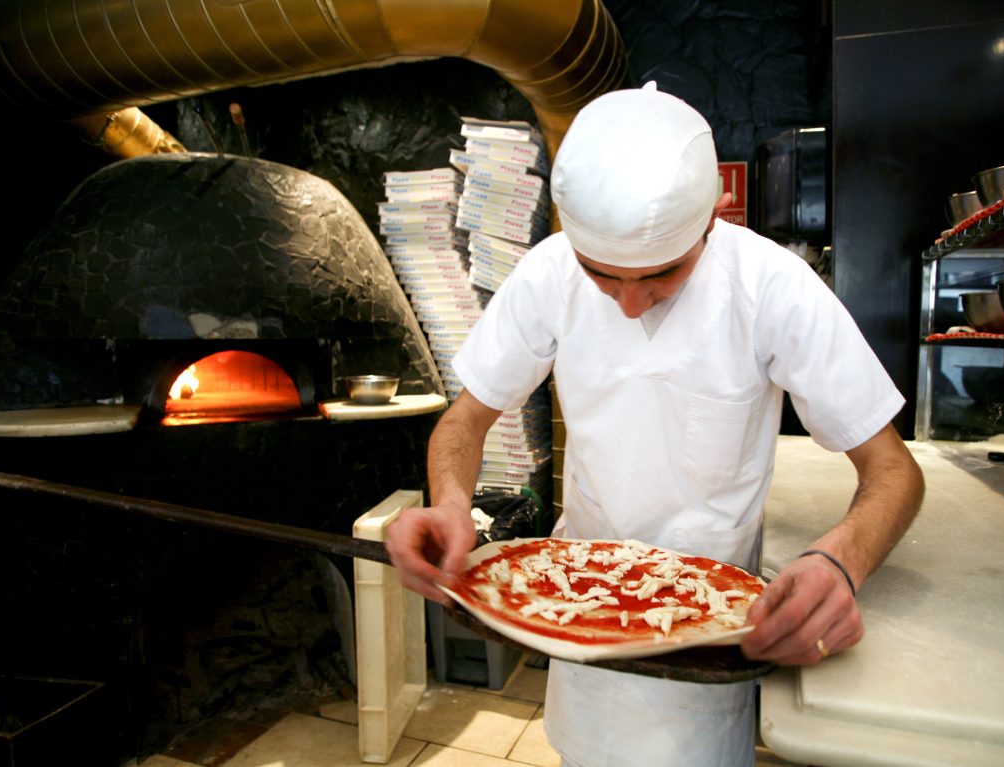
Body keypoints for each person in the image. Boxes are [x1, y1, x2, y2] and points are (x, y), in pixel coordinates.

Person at [385, 82, 925, 767]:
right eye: (603, 276)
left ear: (712, 219)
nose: (631, 304)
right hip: (572, 601)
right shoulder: (550, 272)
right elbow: (465, 420)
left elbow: (894, 471)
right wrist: (450, 503)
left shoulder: (772, 286)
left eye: (662, 275)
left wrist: (840, 561)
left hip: (708, 625)